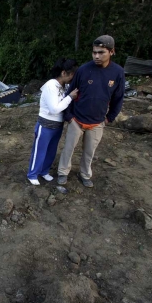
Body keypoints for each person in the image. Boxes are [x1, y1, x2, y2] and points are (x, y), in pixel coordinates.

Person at [57, 35, 125, 188]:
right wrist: (69, 116)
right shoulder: (83, 70)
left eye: (101, 52)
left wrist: (109, 118)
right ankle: (62, 172)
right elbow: (71, 92)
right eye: (94, 52)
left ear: (112, 52)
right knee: (68, 148)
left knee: (89, 152)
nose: (96, 56)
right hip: (76, 119)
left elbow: (118, 97)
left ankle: (85, 174)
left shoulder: (117, 72)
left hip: (97, 122)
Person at [27, 58, 79, 185]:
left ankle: (44, 172)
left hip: (57, 125)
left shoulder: (63, 86)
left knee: (51, 150)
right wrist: (70, 97)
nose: (72, 76)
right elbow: (54, 109)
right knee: (40, 150)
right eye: (71, 73)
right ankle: (32, 174)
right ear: (63, 73)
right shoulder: (51, 86)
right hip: (45, 125)